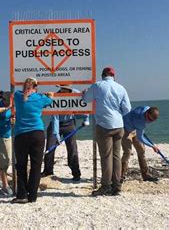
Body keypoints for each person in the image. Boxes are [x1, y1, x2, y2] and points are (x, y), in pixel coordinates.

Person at [83, 67, 131, 196]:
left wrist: (85, 93)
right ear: (114, 76)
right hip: (119, 124)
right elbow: (127, 109)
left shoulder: (97, 86)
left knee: (106, 157)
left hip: (104, 125)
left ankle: (105, 186)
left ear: (103, 75)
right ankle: (117, 186)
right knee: (116, 156)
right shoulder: (121, 88)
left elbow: (86, 99)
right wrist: (117, 112)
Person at [12, 77, 53, 203]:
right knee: (36, 166)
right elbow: (50, 99)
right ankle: (33, 196)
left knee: (21, 165)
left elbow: (17, 94)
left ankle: (22, 195)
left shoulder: (18, 96)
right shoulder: (41, 98)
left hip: (21, 135)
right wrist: (48, 95)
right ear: (36, 87)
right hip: (37, 134)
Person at [42, 84, 90, 181]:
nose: (65, 91)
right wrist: (56, 134)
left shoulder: (76, 94)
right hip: (56, 123)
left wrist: (86, 118)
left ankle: (76, 173)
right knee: (50, 147)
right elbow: (55, 117)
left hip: (70, 123)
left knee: (72, 148)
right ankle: (48, 171)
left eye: (67, 89)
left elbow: (85, 105)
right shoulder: (55, 97)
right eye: (63, 89)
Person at [121, 106, 160, 183]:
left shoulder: (146, 108)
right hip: (124, 129)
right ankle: (120, 176)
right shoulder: (141, 121)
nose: (149, 122)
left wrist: (139, 129)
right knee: (127, 152)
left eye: (152, 121)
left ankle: (145, 175)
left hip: (134, 129)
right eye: (149, 119)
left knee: (141, 150)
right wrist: (152, 146)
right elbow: (140, 138)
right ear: (147, 113)